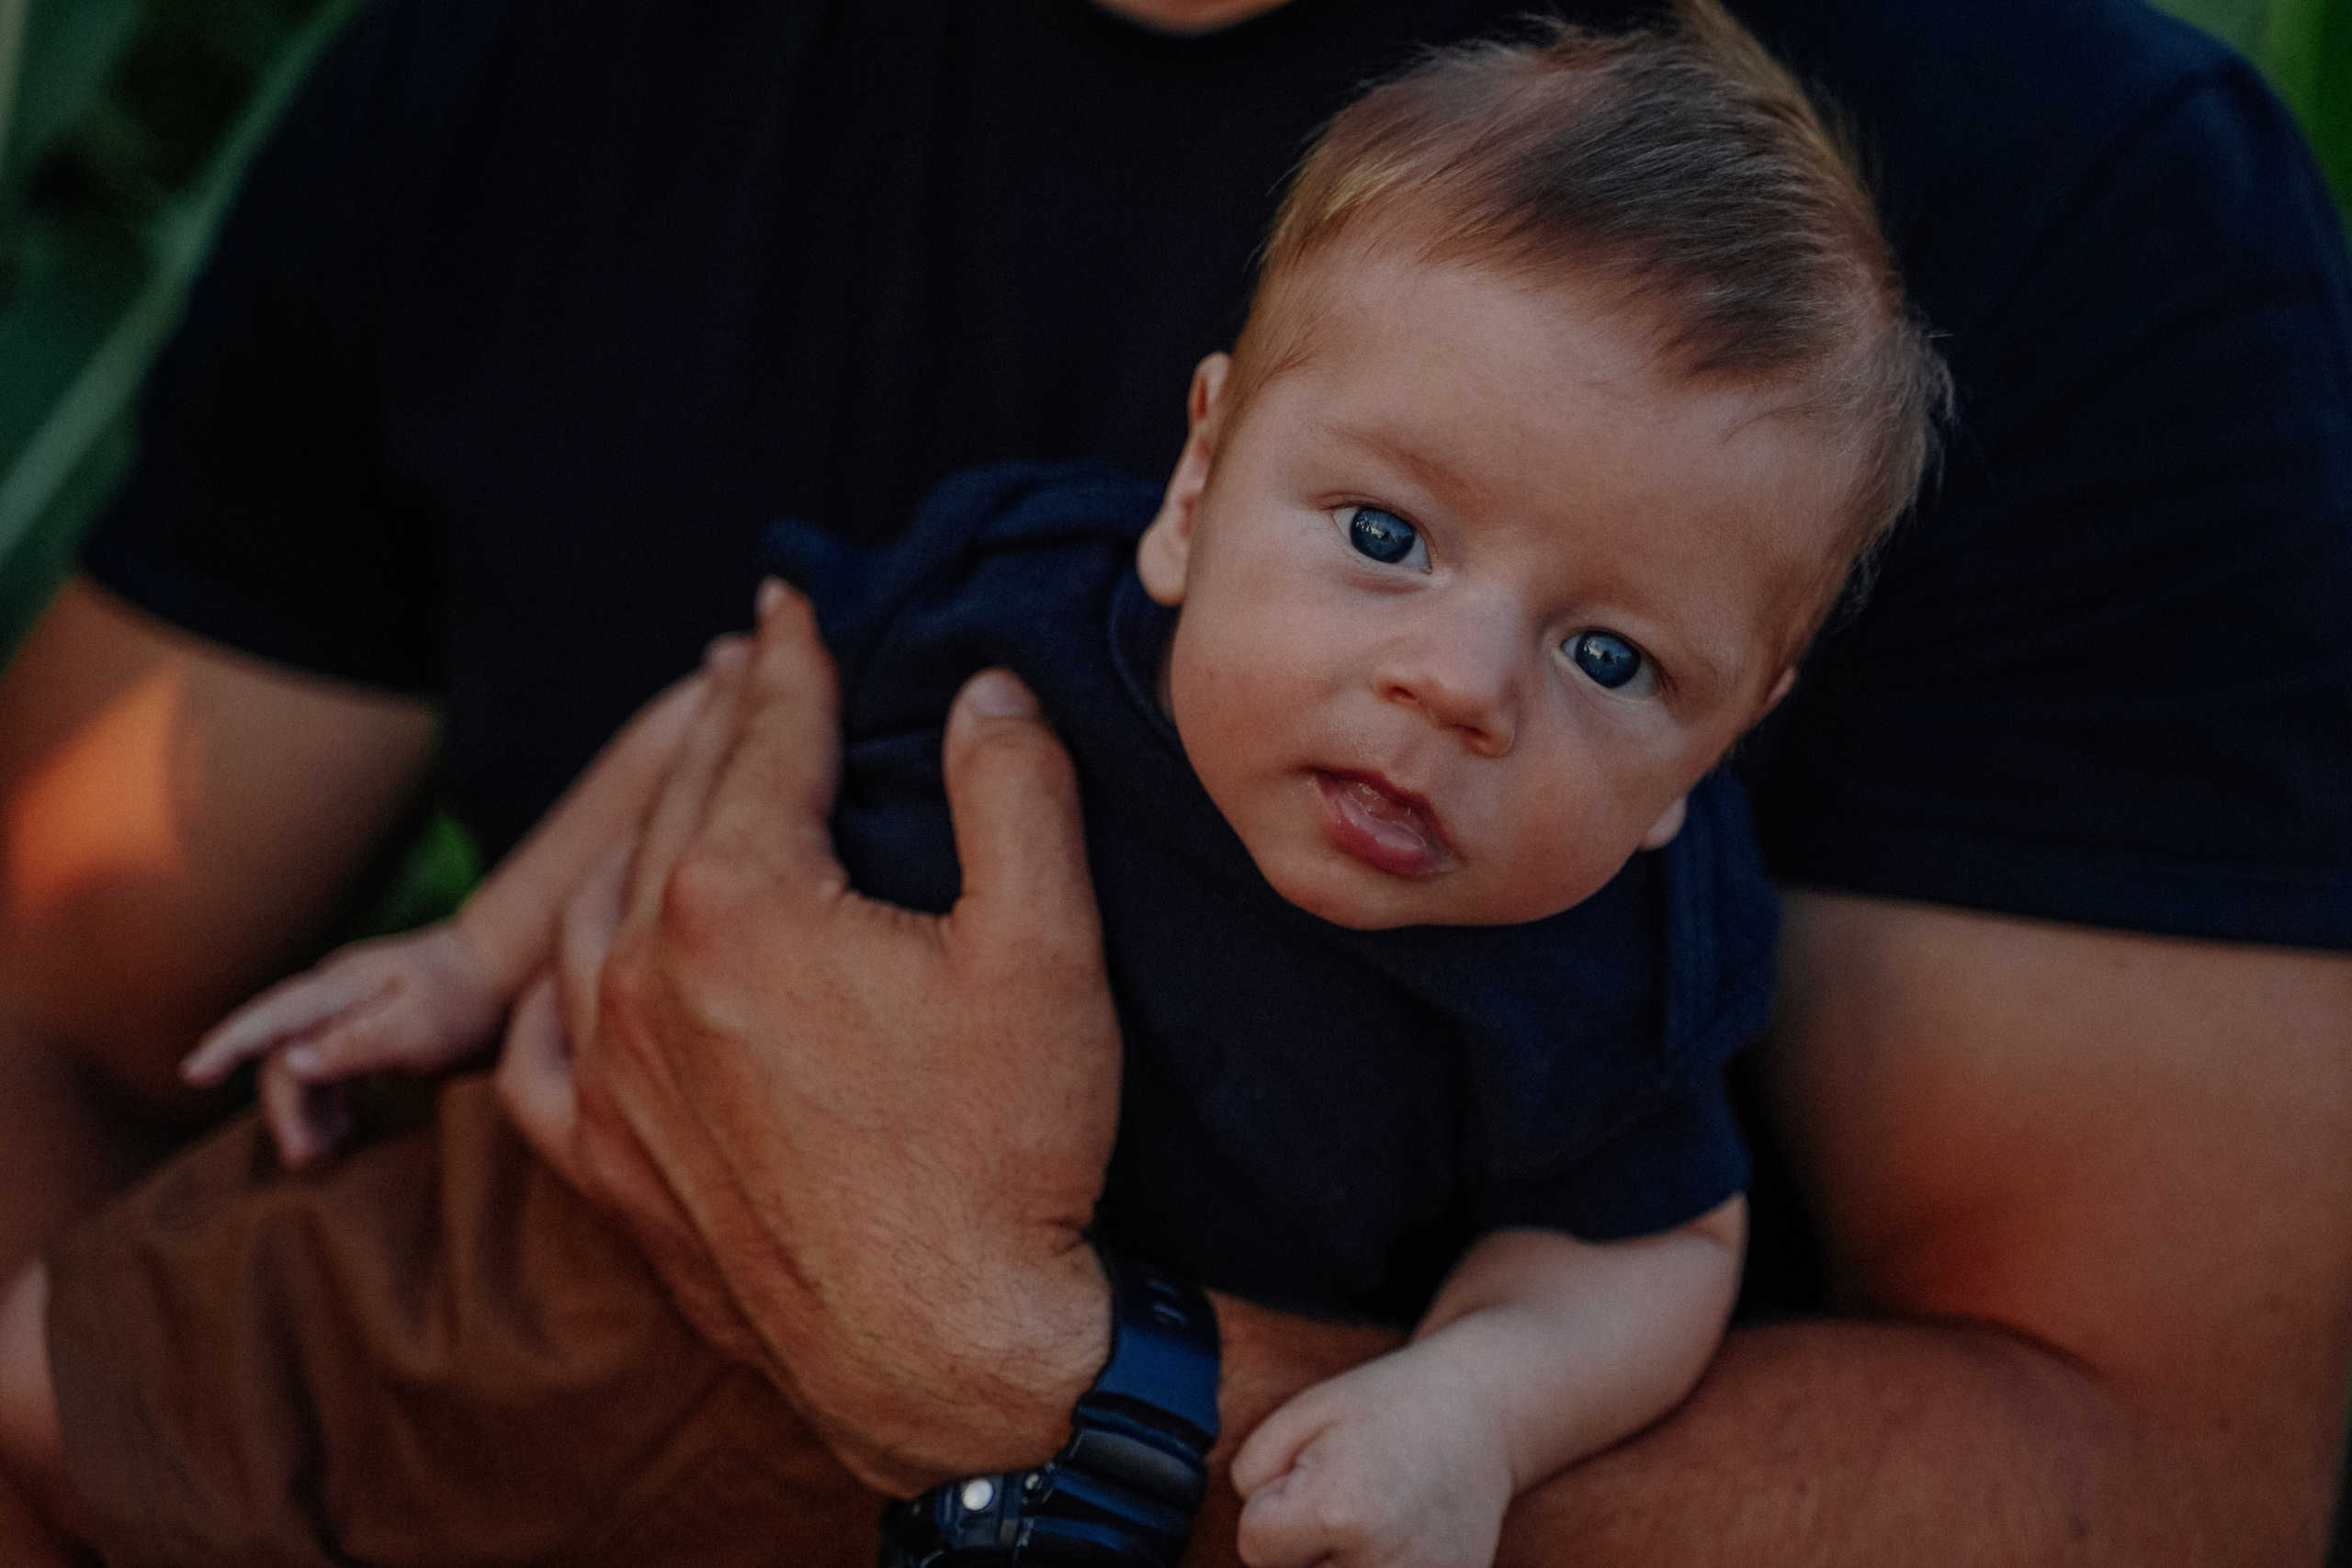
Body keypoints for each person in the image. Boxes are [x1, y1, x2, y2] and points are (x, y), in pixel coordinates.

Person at [0, 0, 2345, 1563]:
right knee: (75, 1393)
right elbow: (742, 700)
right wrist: (460, 959)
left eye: (1611, 656)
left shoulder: (1617, 949)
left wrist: (1373, 1418)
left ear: (1721, 738)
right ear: (1197, 477)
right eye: (1384, 538)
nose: (1450, 683)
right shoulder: (1019, 573)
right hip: (482, 1278)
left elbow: (1672, 1254)